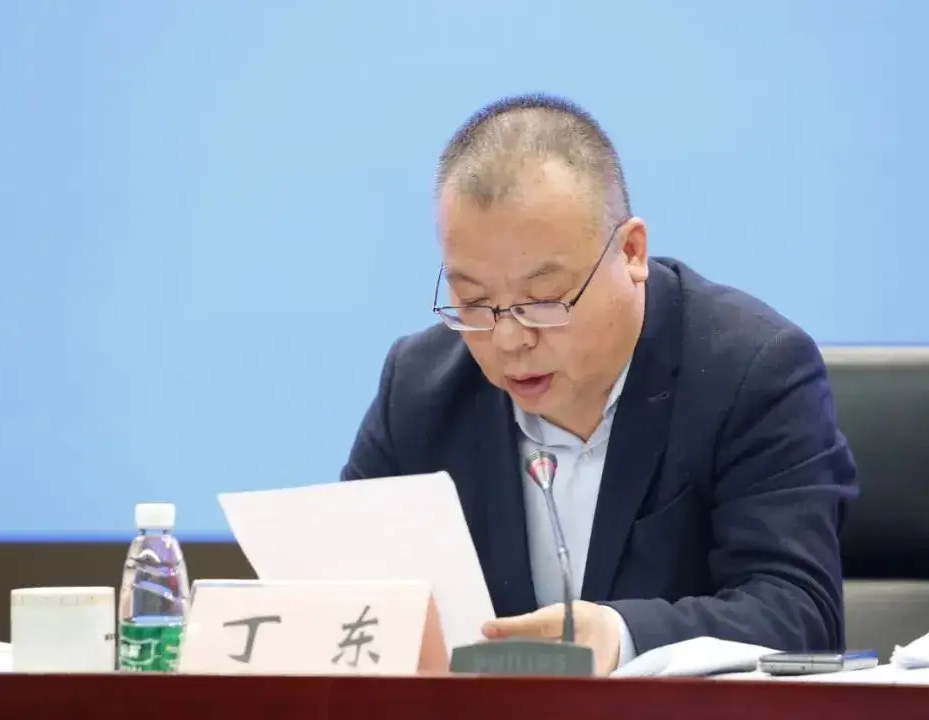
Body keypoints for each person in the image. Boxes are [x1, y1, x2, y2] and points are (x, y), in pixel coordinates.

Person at [342, 93, 858, 675]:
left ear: (631, 251)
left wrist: (620, 635)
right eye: (475, 301)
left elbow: (799, 614)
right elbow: (342, 596)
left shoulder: (752, 371)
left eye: (543, 300)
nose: (509, 340)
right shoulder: (420, 389)